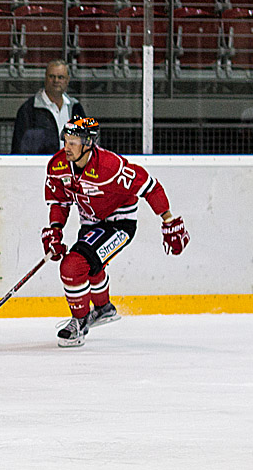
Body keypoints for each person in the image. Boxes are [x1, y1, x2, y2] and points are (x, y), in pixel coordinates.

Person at [42, 117, 189, 347]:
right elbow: (59, 202)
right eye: (66, 140)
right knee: (89, 264)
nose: (66, 147)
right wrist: (55, 230)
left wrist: (168, 219)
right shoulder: (58, 166)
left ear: (88, 143)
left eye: (73, 142)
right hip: (91, 222)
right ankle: (103, 309)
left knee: (73, 266)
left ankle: (79, 323)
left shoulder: (110, 167)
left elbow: (150, 186)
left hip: (120, 223)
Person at [12, 60, 86, 154]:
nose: (56, 81)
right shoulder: (28, 110)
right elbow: (19, 148)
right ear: (45, 78)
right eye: (52, 76)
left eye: (60, 77)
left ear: (67, 80)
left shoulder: (76, 109)